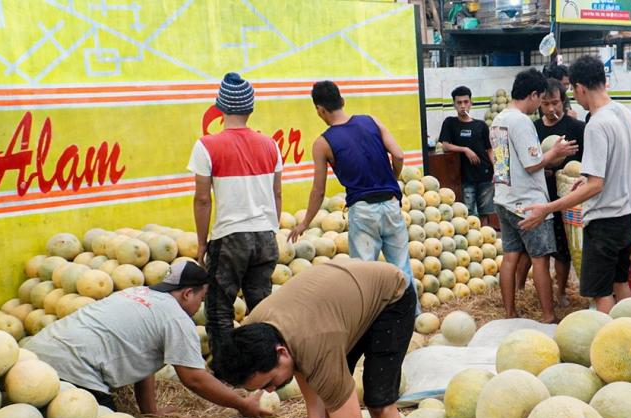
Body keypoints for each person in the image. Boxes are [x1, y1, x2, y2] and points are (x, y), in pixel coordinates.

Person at [25, 261, 272, 418]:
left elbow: (144, 358)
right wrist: (243, 404)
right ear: (187, 293)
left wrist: (150, 411)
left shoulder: (134, 292)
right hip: (71, 373)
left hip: (31, 356)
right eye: (201, 298)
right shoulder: (175, 317)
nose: (201, 306)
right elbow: (195, 379)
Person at [214, 260, 415, 418]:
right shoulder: (254, 329)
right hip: (338, 304)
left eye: (269, 383)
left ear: (281, 352)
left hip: (390, 296)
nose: (270, 391)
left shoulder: (315, 344)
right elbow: (301, 362)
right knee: (331, 404)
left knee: (378, 401)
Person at [520, 55, 631, 314]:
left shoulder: (596, 124)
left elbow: (596, 186)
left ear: (580, 88)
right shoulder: (625, 114)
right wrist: (587, 178)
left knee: (601, 293)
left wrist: (548, 208)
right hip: (628, 216)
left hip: (605, 221)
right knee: (620, 282)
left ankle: (612, 346)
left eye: (574, 92)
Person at [189, 72, 282, 363]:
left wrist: (202, 243)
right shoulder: (271, 145)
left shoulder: (207, 146)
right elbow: (277, 194)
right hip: (265, 235)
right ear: (250, 108)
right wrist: (270, 228)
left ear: (220, 107)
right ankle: (265, 365)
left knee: (219, 309)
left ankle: (228, 369)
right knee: (262, 307)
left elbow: (203, 199)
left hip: (229, 237)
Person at [290, 81, 413, 291]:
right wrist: (390, 180)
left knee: (364, 275)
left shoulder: (322, 143)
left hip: (363, 211)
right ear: (342, 101)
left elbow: (318, 191)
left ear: (320, 110)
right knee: (401, 268)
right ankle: (413, 317)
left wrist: (304, 223)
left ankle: (369, 322)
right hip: (391, 205)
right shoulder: (371, 121)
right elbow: (399, 155)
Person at [490, 68, 578, 322]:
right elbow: (532, 163)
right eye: (540, 99)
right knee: (540, 260)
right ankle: (549, 316)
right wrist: (555, 152)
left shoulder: (499, 120)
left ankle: (510, 312)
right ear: (533, 94)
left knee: (510, 258)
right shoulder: (521, 121)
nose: (541, 106)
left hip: (504, 198)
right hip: (528, 203)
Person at [530, 77, 586, 306]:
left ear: (564, 101)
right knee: (538, 250)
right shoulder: (534, 129)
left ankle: (561, 290)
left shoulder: (577, 128)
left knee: (564, 249)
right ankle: (536, 290)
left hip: (571, 197)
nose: (551, 108)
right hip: (541, 196)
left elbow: (586, 161)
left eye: (555, 102)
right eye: (546, 104)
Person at [438, 86, 495, 224]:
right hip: (465, 177)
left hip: (485, 175)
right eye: (459, 103)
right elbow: (445, 145)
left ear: (471, 103)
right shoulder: (450, 123)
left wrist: (496, 169)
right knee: (467, 213)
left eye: (465, 102)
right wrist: (465, 149)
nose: (463, 106)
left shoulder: (481, 125)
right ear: (454, 104)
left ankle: (487, 242)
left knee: (485, 213)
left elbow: (489, 150)